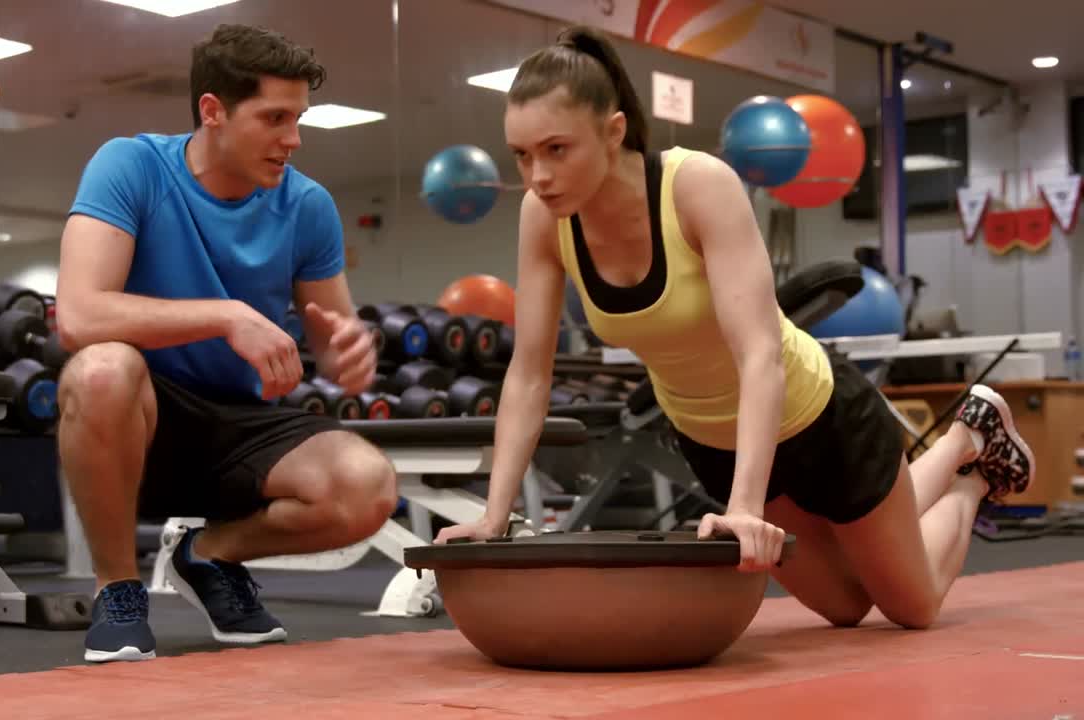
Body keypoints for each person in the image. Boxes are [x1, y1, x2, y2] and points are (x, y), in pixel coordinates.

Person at [435, 26, 1036, 631]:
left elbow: (758, 354)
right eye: (522, 155)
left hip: (819, 419)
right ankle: (963, 445)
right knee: (847, 608)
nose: (538, 174)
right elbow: (529, 373)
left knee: (912, 606)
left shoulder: (696, 186)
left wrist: (745, 508)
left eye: (556, 149)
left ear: (613, 131)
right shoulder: (543, 218)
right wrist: (494, 515)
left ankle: (969, 458)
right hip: (714, 443)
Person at [55, 24, 398, 663]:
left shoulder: (308, 205)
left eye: (298, 119)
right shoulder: (130, 166)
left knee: (367, 487)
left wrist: (349, 352)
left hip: (243, 424)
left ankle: (209, 555)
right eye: (273, 118)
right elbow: (77, 315)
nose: (291, 140)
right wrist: (224, 315)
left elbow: (332, 339)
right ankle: (118, 586)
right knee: (101, 368)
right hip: (139, 418)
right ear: (213, 111)